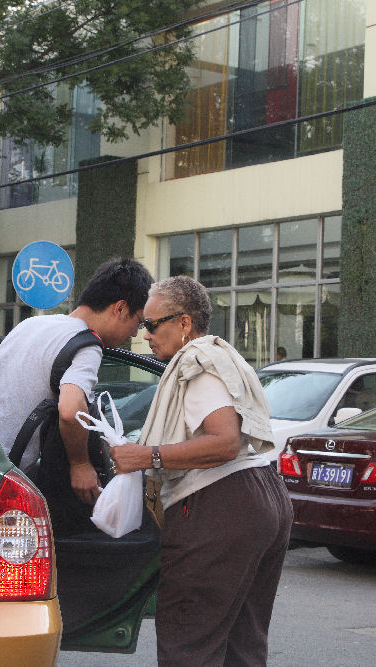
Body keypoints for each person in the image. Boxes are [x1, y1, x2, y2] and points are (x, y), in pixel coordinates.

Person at [109, 275, 293, 667]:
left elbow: (224, 442)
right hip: (263, 494)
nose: (145, 335)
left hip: (220, 502)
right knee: (243, 643)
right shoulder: (225, 357)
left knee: (189, 643)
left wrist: (145, 457)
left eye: (152, 324)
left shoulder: (198, 362)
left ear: (184, 324)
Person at [0, 257, 152, 507]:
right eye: (138, 322)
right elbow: (69, 411)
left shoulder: (32, 324)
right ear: (120, 309)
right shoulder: (87, 345)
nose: (135, 333)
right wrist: (80, 465)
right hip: (3, 476)